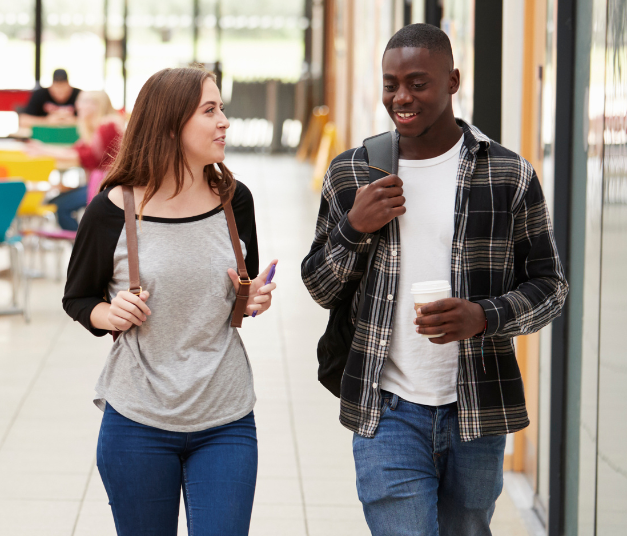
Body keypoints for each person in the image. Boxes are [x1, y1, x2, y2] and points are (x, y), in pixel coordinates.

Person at [299, 24, 568, 535]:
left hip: (476, 403)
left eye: (417, 83)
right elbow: (319, 287)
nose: (401, 97)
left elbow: (550, 288)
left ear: (453, 81)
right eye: (390, 84)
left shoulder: (508, 175)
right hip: (387, 405)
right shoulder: (353, 173)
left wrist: (484, 316)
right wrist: (355, 227)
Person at [63, 67, 278, 535]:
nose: (224, 121)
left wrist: (252, 297)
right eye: (209, 110)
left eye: (222, 108)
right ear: (169, 124)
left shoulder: (235, 201)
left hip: (226, 416)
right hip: (137, 418)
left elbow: (241, 292)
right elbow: (78, 298)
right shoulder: (111, 211)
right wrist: (109, 312)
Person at [28, 90, 124, 230]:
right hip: (100, 184)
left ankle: (82, 246)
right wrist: (42, 149)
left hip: (109, 186)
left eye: (84, 101)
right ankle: (81, 244)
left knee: (61, 207)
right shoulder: (94, 128)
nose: (78, 106)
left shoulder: (108, 125)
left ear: (97, 105)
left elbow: (87, 156)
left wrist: (42, 151)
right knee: (55, 202)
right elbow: (75, 150)